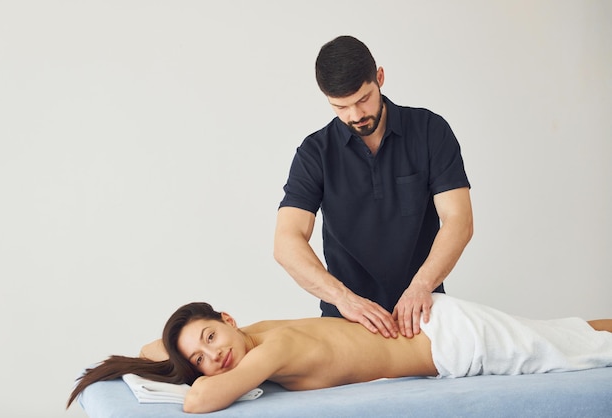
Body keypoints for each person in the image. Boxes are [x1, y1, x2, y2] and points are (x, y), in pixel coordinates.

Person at [67, 293, 612, 414]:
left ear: (227, 320)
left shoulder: (270, 348)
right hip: (441, 329)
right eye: (200, 358)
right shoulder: (251, 335)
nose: (213, 358)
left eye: (211, 338)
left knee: (580, 352)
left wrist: (189, 372)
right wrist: (184, 353)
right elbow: (155, 349)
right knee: (570, 332)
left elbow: (198, 403)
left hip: (456, 341)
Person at [274, 35, 474, 340]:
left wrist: (420, 287)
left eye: (363, 99)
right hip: (346, 319)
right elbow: (286, 242)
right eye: (340, 107)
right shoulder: (315, 153)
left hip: (423, 311)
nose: (355, 116)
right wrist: (343, 299)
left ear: (379, 77)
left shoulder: (430, 131)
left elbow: (459, 220)